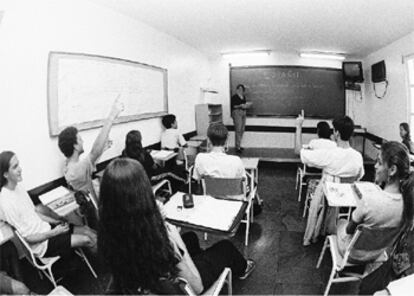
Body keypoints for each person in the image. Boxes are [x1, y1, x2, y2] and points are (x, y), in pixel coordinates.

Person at [98, 158, 255, 295]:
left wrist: (154, 219)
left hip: (143, 279)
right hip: (185, 284)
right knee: (226, 248)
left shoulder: (110, 236)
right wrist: (175, 239)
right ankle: (244, 267)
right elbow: (197, 287)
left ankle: (202, 258)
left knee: (192, 237)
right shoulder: (162, 241)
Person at [0, 151, 97, 259]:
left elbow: (35, 213)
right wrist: (54, 232)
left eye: (18, 164)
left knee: (87, 230)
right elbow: (28, 238)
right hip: (42, 245)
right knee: (87, 239)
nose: (20, 169)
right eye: (15, 167)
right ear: (5, 174)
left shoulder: (19, 188)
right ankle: (107, 267)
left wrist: (56, 221)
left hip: (48, 229)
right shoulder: (6, 202)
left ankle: (109, 261)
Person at [336, 141, 414, 261]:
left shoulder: (368, 201)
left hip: (353, 254)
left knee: (341, 222)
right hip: (378, 254)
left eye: (379, 162)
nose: (375, 166)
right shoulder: (408, 204)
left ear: (392, 170)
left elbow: (349, 230)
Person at [296, 116, 365, 245]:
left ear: (337, 133)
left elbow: (298, 151)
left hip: (330, 197)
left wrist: (299, 126)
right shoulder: (357, 157)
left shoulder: (330, 154)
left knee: (321, 188)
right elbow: (359, 176)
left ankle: (313, 234)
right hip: (348, 200)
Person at [58, 97, 123, 206]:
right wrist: (111, 116)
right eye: (79, 139)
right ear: (75, 146)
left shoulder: (69, 165)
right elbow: (94, 153)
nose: (82, 141)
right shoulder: (76, 170)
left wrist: (103, 148)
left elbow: (91, 162)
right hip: (94, 212)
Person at [231, 84, 249, 153]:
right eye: (239, 89)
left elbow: (244, 104)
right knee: (238, 130)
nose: (241, 90)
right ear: (237, 89)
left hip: (243, 112)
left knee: (242, 129)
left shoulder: (243, 97)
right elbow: (233, 106)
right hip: (237, 113)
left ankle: (239, 145)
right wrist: (240, 105)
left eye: (242, 89)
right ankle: (237, 147)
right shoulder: (234, 97)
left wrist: (246, 106)